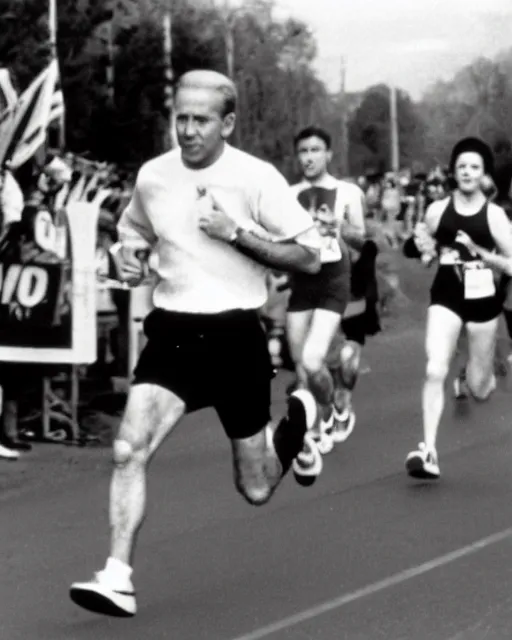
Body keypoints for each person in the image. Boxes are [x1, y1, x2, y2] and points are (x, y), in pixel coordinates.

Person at [69, 70, 324, 618]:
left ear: (227, 123)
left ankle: (297, 424)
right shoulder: (154, 176)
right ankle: (117, 576)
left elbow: (310, 255)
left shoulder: (255, 178)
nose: (186, 130)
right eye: (180, 118)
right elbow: (133, 230)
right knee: (126, 447)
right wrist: (128, 255)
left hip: (236, 334)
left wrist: (235, 233)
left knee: (255, 488)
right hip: (174, 333)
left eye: (200, 120)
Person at [404, 137, 512, 479]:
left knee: (480, 389)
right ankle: (429, 450)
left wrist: (481, 253)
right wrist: (423, 247)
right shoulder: (438, 210)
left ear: (484, 175)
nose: (467, 172)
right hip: (446, 297)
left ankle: (480, 370)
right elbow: (422, 247)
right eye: (461, 166)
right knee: (435, 368)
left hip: (483, 304)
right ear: (453, 171)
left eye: (474, 167)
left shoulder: (494, 216)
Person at [286, 127, 366, 456]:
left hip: (334, 277)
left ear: (328, 154)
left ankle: (325, 421)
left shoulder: (346, 191)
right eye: (303, 151)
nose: (309, 157)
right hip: (302, 279)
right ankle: (329, 415)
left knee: (312, 356)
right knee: (301, 365)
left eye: (316, 150)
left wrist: (338, 227)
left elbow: (361, 239)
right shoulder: (288, 194)